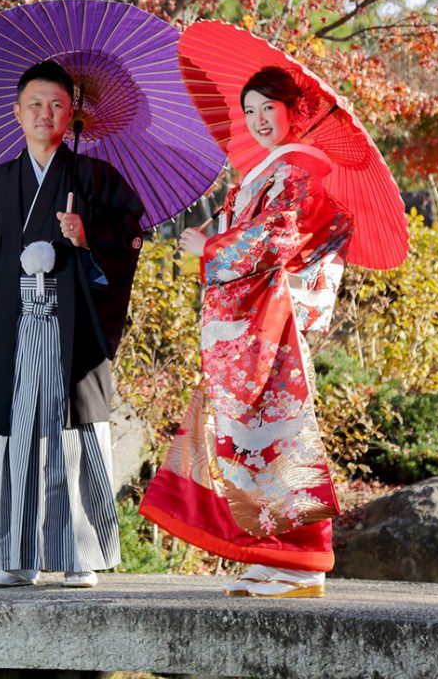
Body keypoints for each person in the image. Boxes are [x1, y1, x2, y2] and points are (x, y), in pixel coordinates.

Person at [0, 60, 144, 589]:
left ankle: (78, 555)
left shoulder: (96, 180)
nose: (45, 113)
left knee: (73, 436)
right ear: (17, 112)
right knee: (13, 437)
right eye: (35, 104)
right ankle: (15, 556)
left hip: (74, 329)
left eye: (57, 104)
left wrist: (88, 238)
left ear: (71, 113)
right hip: (8, 329)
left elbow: (129, 243)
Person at [139, 66, 352, 597]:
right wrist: (220, 228)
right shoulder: (270, 169)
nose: (258, 120)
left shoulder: (301, 169)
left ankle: (302, 558)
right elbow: (255, 233)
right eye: (250, 110)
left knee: (277, 433)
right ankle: (268, 553)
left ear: (292, 111)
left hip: (269, 319)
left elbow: (276, 241)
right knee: (242, 433)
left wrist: (210, 249)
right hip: (250, 320)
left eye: (269, 109)